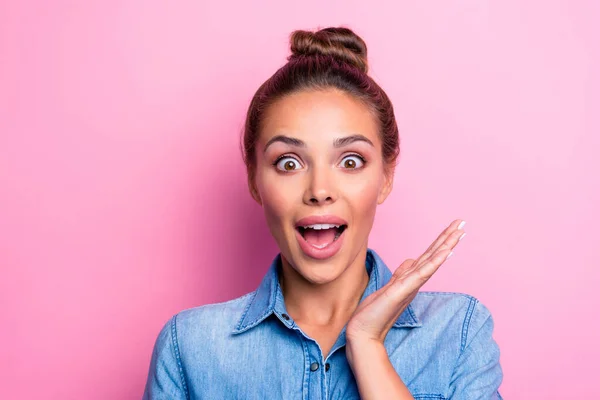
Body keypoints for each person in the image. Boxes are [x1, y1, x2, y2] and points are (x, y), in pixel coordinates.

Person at [142, 26, 503, 399]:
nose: (319, 191)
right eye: (288, 163)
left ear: (385, 177)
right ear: (254, 178)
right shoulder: (189, 348)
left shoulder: (457, 331)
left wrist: (366, 344)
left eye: (350, 161)